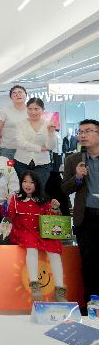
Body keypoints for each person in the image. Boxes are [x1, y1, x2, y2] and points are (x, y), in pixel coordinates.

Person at [6, 171, 67, 301]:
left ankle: (59, 289)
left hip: (41, 231)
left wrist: (54, 208)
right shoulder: (16, 199)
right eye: (25, 181)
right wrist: (8, 203)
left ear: (37, 184)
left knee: (54, 250)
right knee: (31, 247)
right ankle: (34, 284)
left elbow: (51, 219)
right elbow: (10, 215)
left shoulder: (43, 199)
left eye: (31, 182)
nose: (27, 185)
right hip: (24, 230)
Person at [62, 118, 99, 306]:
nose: (83, 135)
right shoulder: (73, 159)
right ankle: (91, 305)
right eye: (80, 132)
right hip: (86, 218)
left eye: (88, 131)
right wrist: (77, 177)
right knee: (89, 263)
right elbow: (65, 189)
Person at [14, 98, 57, 184]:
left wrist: (51, 132)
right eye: (30, 109)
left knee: (39, 189)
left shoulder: (48, 124)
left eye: (36, 109)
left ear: (43, 110)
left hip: (42, 164)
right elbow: (21, 143)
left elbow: (51, 146)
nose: (33, 112)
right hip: (21, 162)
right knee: (23, 189)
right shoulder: (20, 124)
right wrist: (40, 148)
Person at [0, 85, 28, 159]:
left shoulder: (32, 110)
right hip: (8, 149)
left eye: (20, 92)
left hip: (26, 149)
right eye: (14, 93)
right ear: (11, 97)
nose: (17, 94)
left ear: (26, 95)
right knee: (7, 167)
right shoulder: (4, 111)